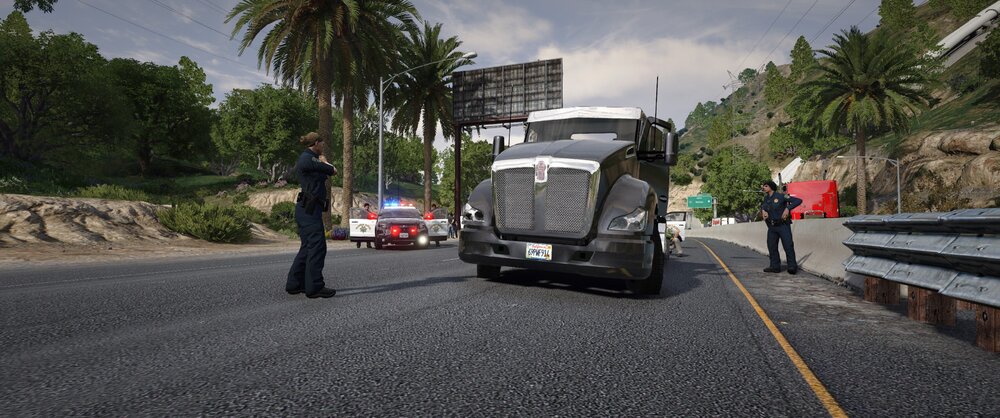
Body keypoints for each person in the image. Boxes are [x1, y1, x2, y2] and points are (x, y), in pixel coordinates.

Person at [286, 132, 338, 298]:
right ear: (316, 143)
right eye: (321, 143)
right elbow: (333, 170)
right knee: (317, 247)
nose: (323, 146)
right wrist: (324, 161)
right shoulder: (309, 159)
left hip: (308, 209)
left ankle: (295, 284)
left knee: (308, 247)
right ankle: (314, 287)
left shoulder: (309, 160)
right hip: (309, 210)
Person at [760, 180, 802, 274]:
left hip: (783, 225)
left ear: (771, 187)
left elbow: (798, 200)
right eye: (763, 186)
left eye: (766, 186)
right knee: (772, 246)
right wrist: (763, 210)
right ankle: (775, 266)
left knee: (788, 245)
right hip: (772, 227)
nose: (763, 188)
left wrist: (787, 208)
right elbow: (763, 206)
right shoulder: (766, 198)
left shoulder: (781, 196)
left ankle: (792, 266)